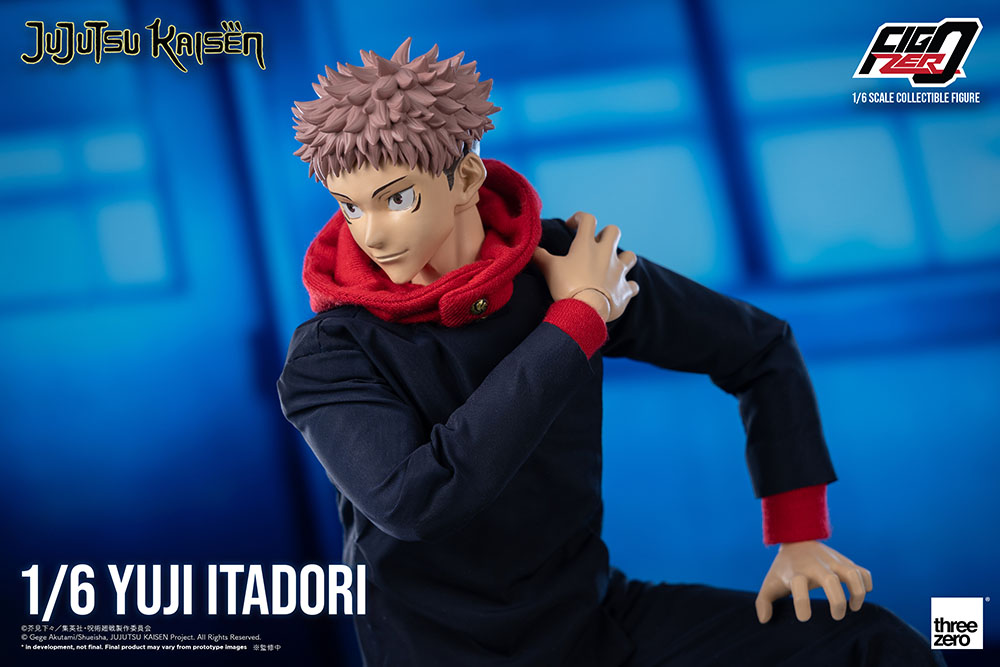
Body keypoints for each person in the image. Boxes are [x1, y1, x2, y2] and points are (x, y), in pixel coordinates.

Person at [277, 38, 944, 666]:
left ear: (466, 177)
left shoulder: (566, 262)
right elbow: (418, 501)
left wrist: (798, 532)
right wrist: (578, 319)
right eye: (350, 207)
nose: (371, 234)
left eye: (396, 199)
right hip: (443, 655)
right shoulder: (331, 352)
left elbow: (758, 346)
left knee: (870, 644)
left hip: (594, 626)